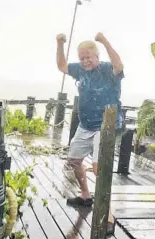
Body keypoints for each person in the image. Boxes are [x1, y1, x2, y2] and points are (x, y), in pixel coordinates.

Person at [56, 32, 124, 235]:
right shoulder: (79, 70)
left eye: (89, 57)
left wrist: (104, 41)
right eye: (82, 58)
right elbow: (61, 66)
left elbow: (119, 65)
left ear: (97, 57)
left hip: (105, 127)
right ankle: (85, 196)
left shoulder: (107, 70)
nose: (85, 61)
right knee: (74, 161)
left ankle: (109, 216)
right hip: (85, 126)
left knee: (99, 169)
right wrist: (59, 43)